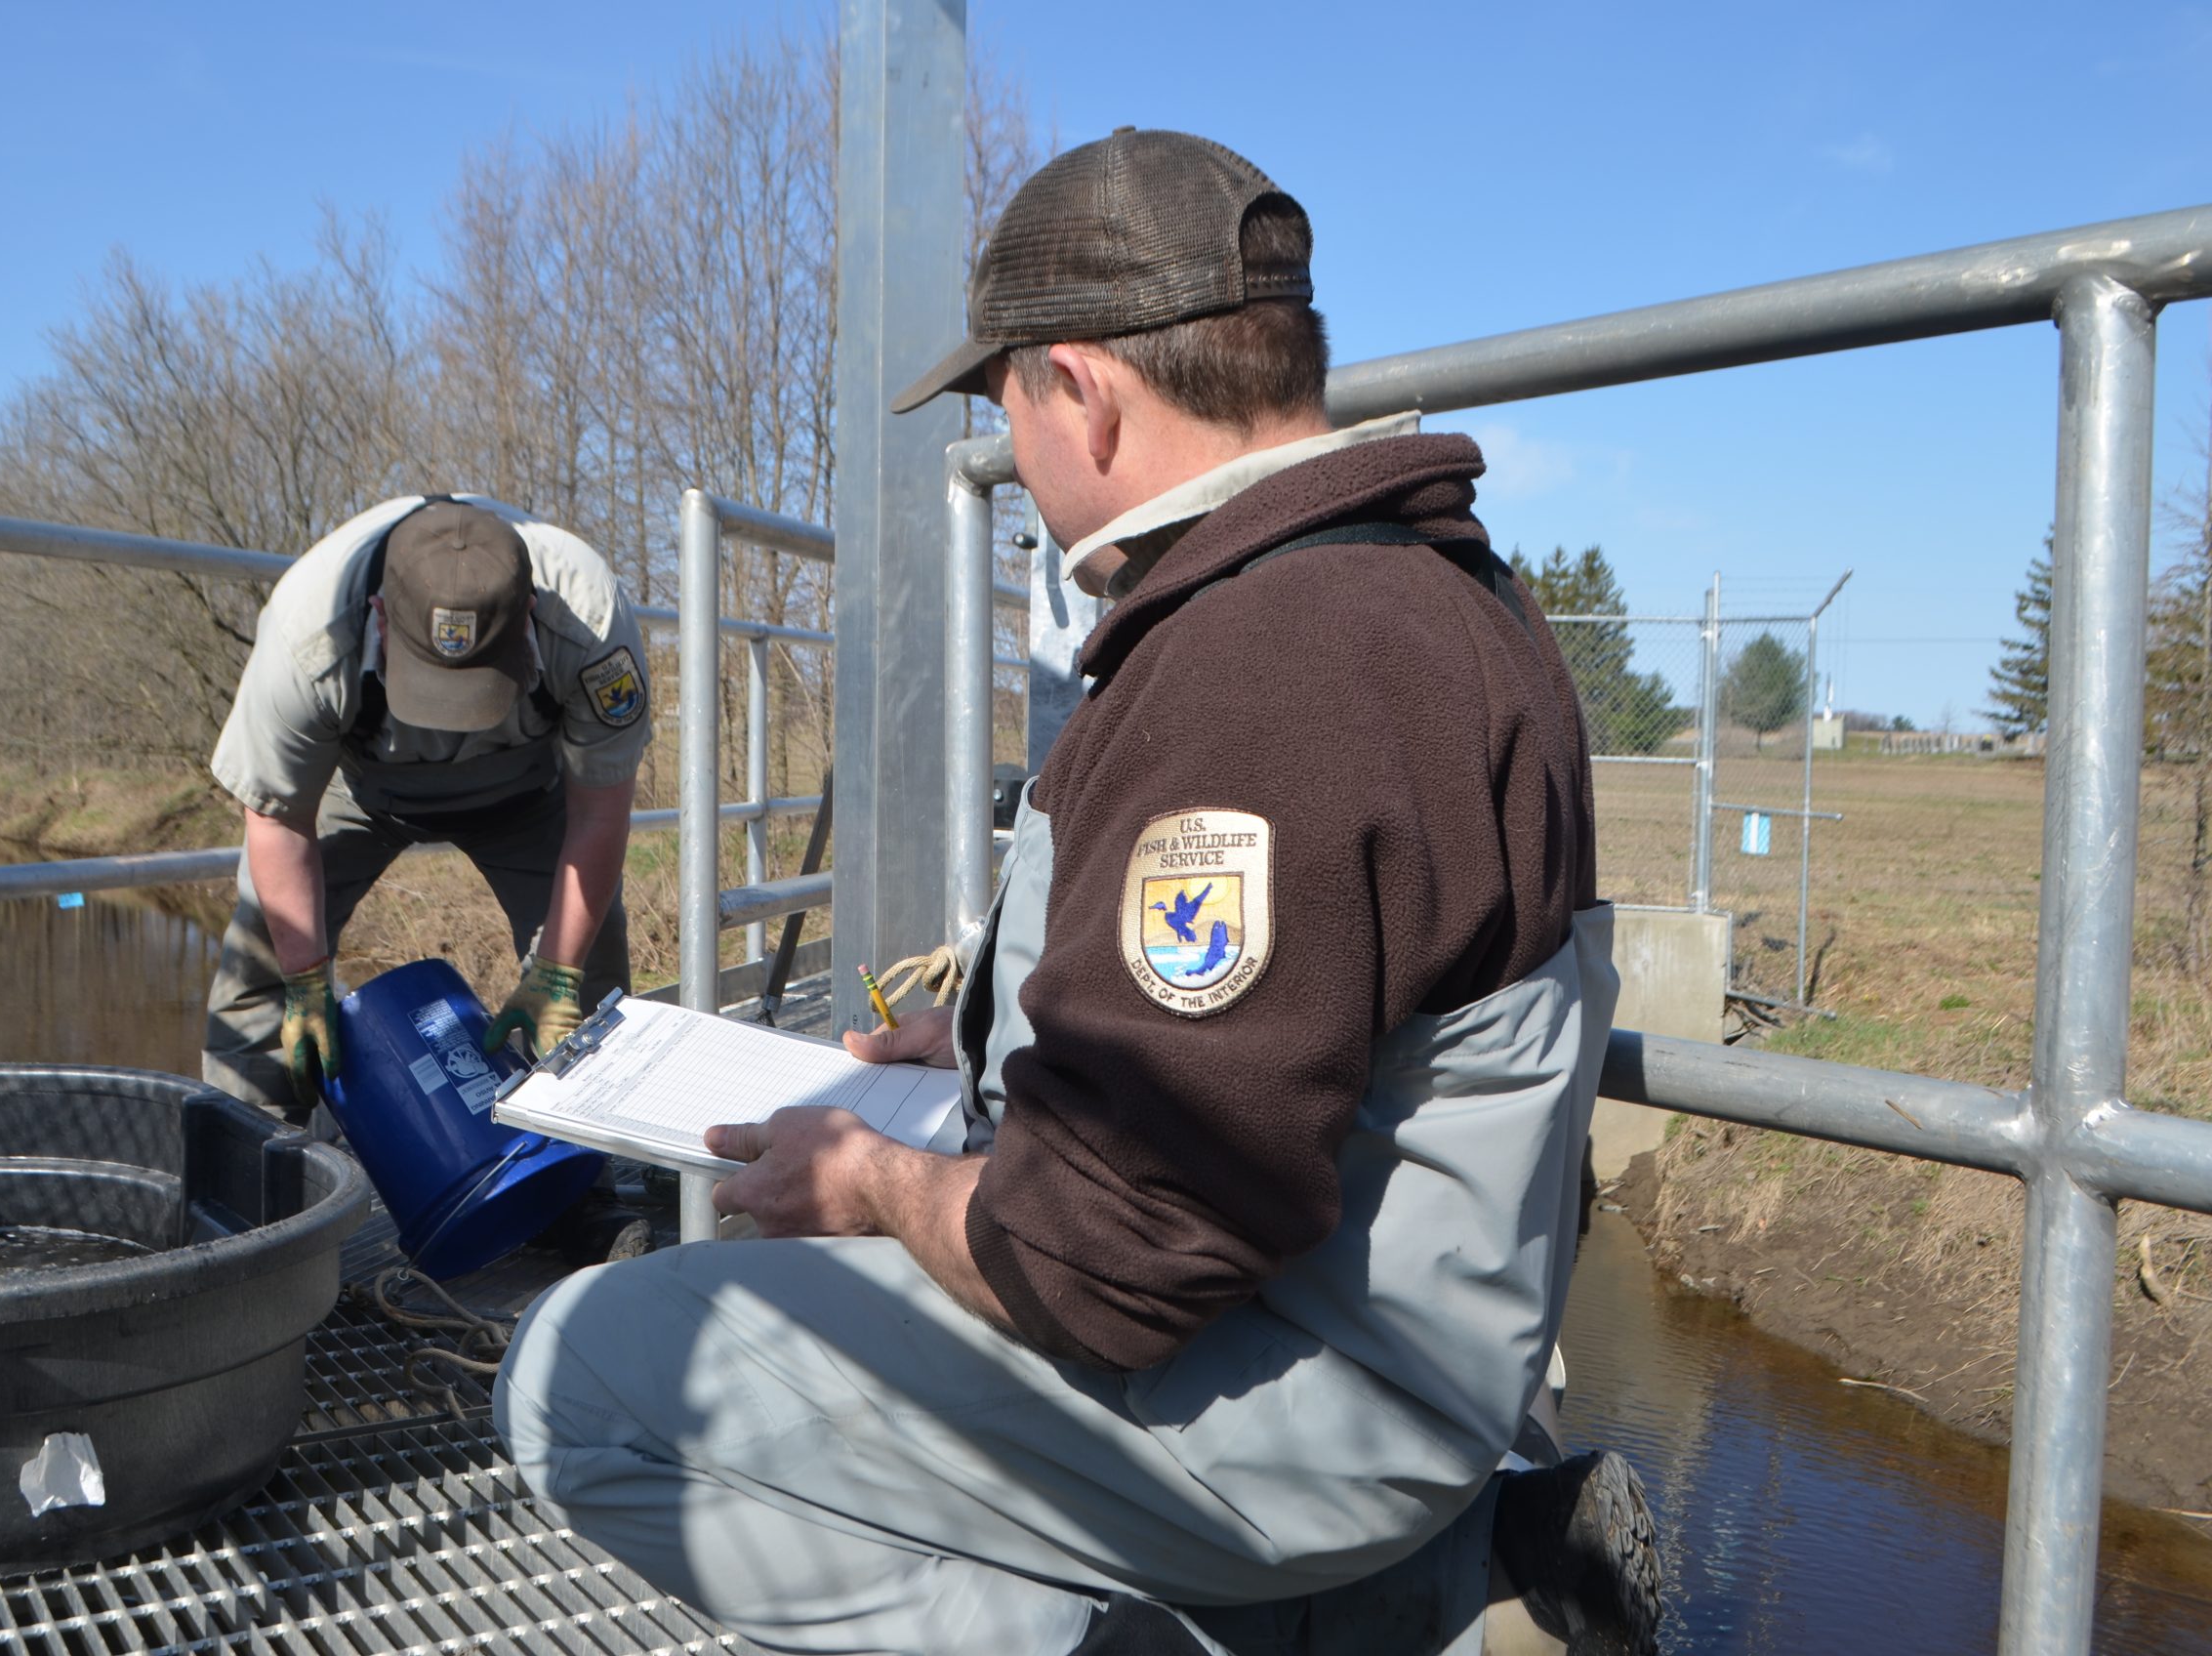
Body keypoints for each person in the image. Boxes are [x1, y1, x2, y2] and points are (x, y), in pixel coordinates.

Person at [494, 130, 1655, 1655]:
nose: (1011, 460)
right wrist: (980, 1046)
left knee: (586, 1373)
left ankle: (1309, 1617)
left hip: (1315, 1404)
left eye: (1003, 404)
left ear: (1083, 395)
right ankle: (1460, 1583)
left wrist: (874, 1185)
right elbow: (1297, 1012)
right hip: (1403, 1343)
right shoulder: (1435, 598)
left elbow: (1106, 1263)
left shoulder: (1272, 663)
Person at [203, 494, 648, 1125]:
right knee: (261, 971)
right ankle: (255, 1180)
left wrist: (557, 972)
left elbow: (599, 814)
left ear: (529, 614)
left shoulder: (589, 618)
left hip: (525, 794)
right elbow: (279, 817)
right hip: (362, 787)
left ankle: (588, 1188)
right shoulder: (308, 630)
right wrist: (304, 977)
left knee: (590, 974)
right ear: (380, 615)